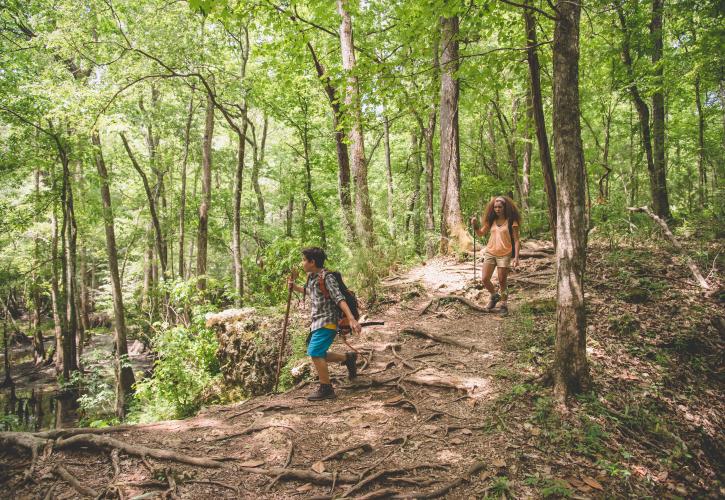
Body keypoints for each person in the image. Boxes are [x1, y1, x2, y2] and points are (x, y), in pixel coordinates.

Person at [288, 247, 361, 400]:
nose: (302, 263)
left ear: (312, 262)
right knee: (318, 352)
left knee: (314, 352)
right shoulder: (312, 277)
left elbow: (338, 298)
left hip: (327, 321)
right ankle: (348, 358)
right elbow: (311, 292)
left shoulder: (327, 277)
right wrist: (294, 286)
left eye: (304, 260)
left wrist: (351, 318)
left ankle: (326, 388)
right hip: (317, 321)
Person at [470, 196, 521, 312]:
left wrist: (516, 257)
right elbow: (480, 233)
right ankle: (494, 296)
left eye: (500, 207)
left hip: (505, 253)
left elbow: (517, 240)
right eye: (495, 207)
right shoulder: (491, 220)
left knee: (502, 280)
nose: (497, 209)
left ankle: (503, 304)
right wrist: (475, 225)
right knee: (484, 278)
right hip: (490, 252)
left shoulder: (512, 221)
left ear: (504, 208)